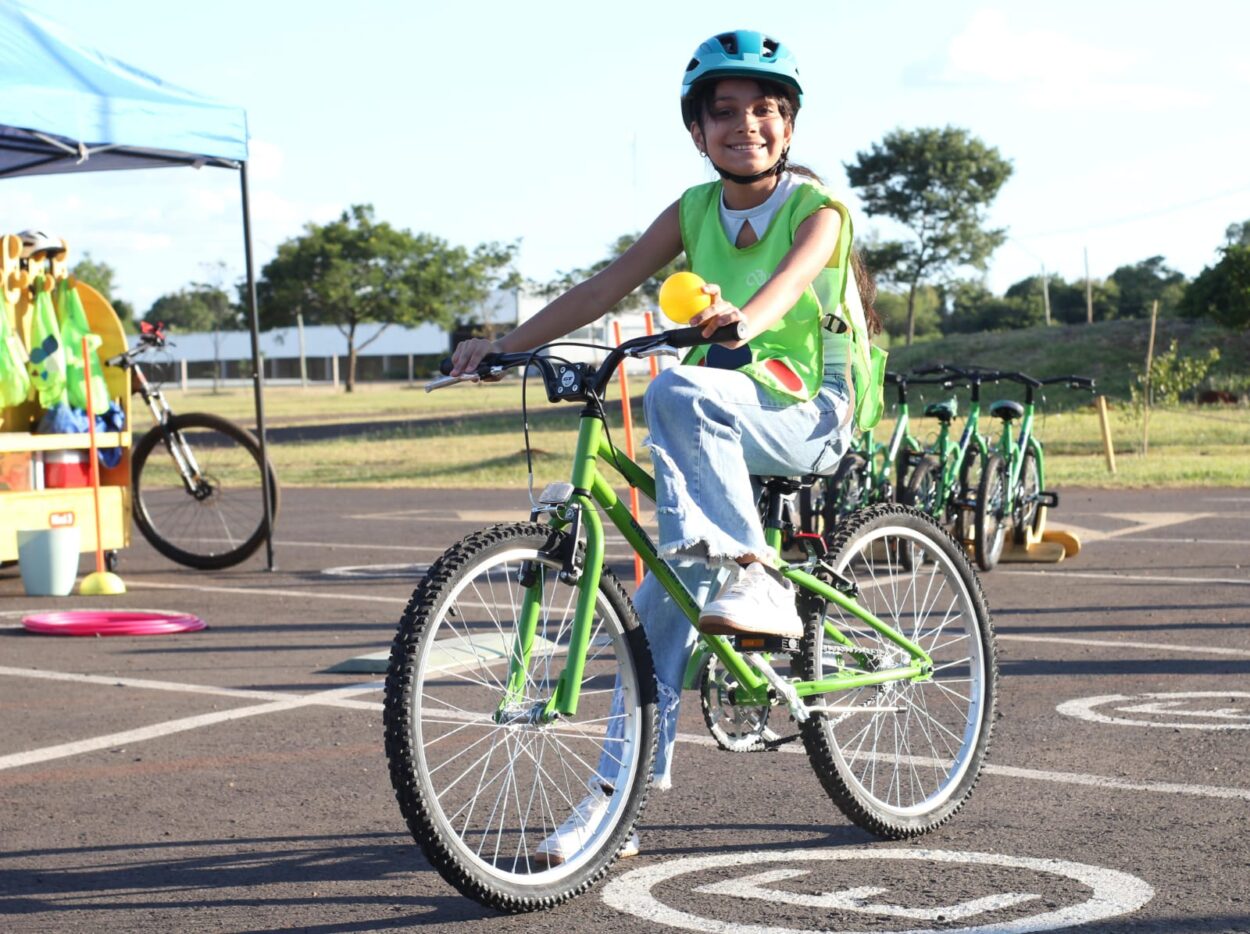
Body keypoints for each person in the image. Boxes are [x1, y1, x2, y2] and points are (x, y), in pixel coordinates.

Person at [449, 29, 883, 863]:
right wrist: (503, 345)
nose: (744, 124)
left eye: (765, 110)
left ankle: (752, 575)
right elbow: (605, 286)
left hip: (810, 405)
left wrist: (741, 324)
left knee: (678, 384)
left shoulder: (818, 210)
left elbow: (795, 277)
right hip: (723, 406)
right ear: (696, 131)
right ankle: (615, 811)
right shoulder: (691, 211)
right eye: (723, 113)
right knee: (651, 626)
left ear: (789, 128)